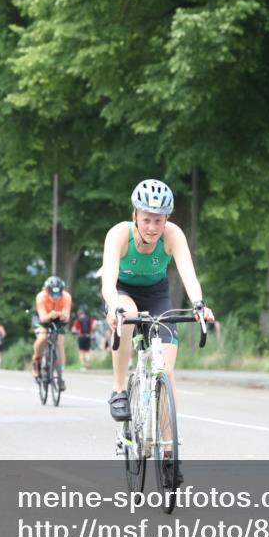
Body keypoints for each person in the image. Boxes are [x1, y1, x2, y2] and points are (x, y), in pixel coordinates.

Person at [101, 179, 215, 486]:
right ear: (135, 215)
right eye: (147, 219)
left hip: (157, 293)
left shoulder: (173, 235)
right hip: (123, 292)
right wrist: (114, 307)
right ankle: (119, 389)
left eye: (159, 220)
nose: (153, 227)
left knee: (166, 368)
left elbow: (188, 273)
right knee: (129, 317)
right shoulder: (119, 234)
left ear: (167, 219)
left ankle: (168, 454)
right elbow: (108, 280)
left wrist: (199, 304)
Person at [32, 276, 72, 387]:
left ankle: (60, 374)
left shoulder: (67, 297)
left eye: (58, 294)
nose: (56, 297)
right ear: (47, 291)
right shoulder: (41, 296)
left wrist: (61, 316)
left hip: (57, 319)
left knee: (59, 343)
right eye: (53, 295)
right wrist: (51, 315)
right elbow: (43, 318)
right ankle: (36, 361)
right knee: (42, 338)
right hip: (43, 318)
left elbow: (66, 317)